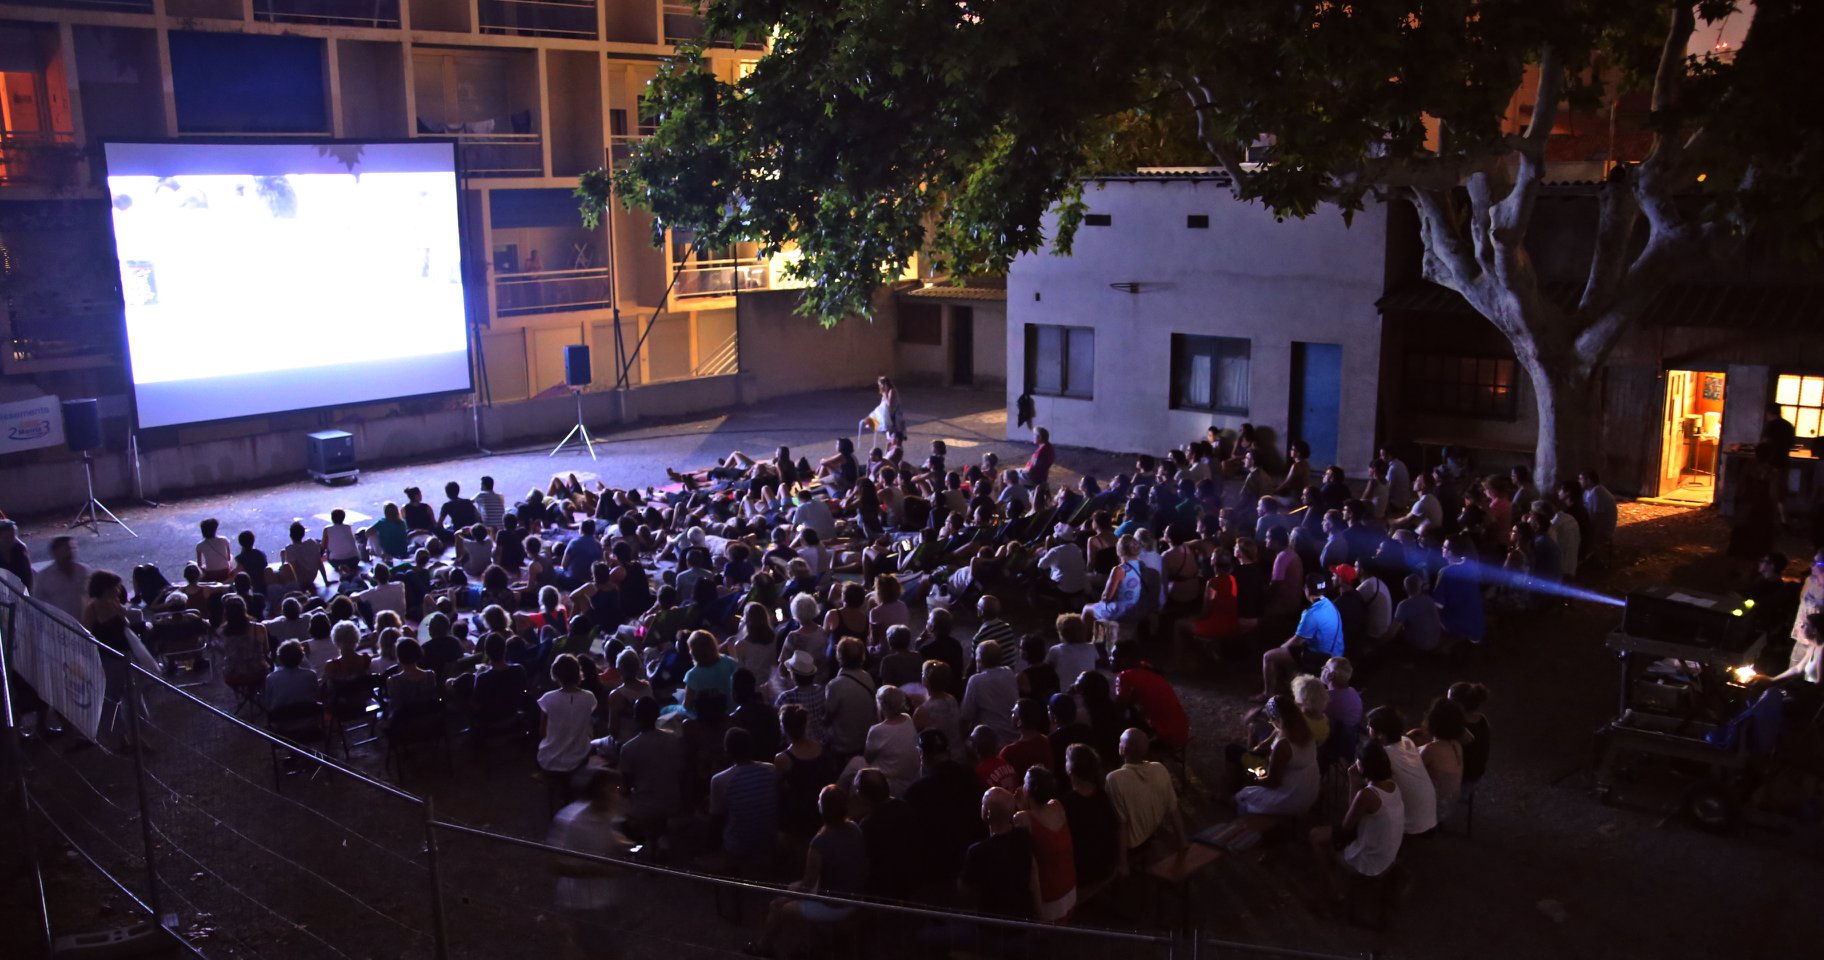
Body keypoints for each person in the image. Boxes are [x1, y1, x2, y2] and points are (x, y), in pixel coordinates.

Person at [746, 785, 867, 958]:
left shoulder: (819, 843)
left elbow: (808, 883)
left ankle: (763, 946)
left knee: (777, 906)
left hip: (834, 904)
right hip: (855, 897)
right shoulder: (855, 828)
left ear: (822, 809)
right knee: (790, 890)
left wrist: (786, 897)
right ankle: (808, 943)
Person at [1309, 740, 1405, 901]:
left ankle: (1334, 891)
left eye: (1357, 760)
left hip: (1369, 861)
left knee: (1316, 836)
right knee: (1331, 834)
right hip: (1388, 854)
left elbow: (1347, 826)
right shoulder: (1392, 784)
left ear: (1364, 765)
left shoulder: (1368, 795)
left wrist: (1353, 781)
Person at [548, 768, 632, 924]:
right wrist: (605, 871)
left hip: (606, 897)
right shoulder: (571, 822)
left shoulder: (610, 813)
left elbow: (605, 833)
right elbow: (559, 865)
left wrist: (617, 842)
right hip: (581, 903)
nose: (618, 795)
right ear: (597, 793)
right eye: (613, 790)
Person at [905, 729, 986, 888]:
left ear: (922, 755)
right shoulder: (970, 776)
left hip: (936, 870)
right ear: (947, 751)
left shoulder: (916, 792)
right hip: (970, 862)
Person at [1232, 694, 1321, 818]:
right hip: (1309, 791)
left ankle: (1251, 827)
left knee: (1241, 797)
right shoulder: (1307, 733)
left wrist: (1254, 778)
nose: (1270, 722)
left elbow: (1273, 782)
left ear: (1278, 720)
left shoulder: (1283, 745)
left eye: (1271, 719)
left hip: (1290, 797)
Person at [1259, 576, 1344, 700]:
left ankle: (1268, 695)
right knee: (1289, 650)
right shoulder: (1330, 604)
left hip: (1321, 657)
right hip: (1335, 652)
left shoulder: (1311, 614)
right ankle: (1290, 684)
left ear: (1307, 590)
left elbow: (1296, 641)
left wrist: (1282, 647)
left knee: (1269, 656)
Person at [1105, 728, 1183, 861]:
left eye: (1120, 742)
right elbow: (1173, 809)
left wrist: (1123, 863)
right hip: (1153, 831)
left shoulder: (1115, 779)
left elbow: (1122, 823)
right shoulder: (1159, 768)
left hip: (1133, 843)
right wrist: (1183, 842)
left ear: (1124, 749)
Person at [617, 698, 687, 842]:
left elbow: (626, 786)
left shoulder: (629, 748)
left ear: (636, 717)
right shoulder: (673, 741)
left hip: (644, 807)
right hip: (673, 802)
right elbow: (681, 773)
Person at [959, 787, 1036, 919]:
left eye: (983, 803)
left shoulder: (978, 851)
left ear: (988, 813)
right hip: (1022, 917)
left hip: (991, 924)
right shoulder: (1023, 836)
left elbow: (964, 891)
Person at [709, 727, 781, 866]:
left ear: (727, 752)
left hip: (738, 845)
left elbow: (716, 819)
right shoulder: (771, 770)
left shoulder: (720, 779)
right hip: (769, 839)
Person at [1015, 765, 1077, 922]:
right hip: (1069, 889)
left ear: (1028, 791)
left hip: (1049, 898)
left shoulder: (1022, 819)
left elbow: (1031, 869)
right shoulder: (1057, 805)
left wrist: (1021, 806)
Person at [1366, 706, 1438, 836]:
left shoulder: (1383, 755)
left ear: (1381, 735)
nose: (1367, 728)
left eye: (1370, 726)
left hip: (1412, 826)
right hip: (1430, 818)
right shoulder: (1407, 741)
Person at [854, 766, 921, 899]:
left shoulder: (868, 824)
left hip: (883, 889)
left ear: (864, 795)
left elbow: (866, 864)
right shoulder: (906, 808)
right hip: (911, 882)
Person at [1412, 697, 1469, 820]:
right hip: (1449, 803)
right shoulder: (1456, 745)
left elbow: (1410, 769)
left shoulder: (1431, 750)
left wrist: (1406, 738)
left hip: (1433, 808)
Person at [823, 638, 877, 764]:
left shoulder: (834, 685)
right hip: (864, 742)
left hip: (842, 747)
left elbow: (827, 716)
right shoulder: (867, 677)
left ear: (839, 656)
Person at [960, 638, 1020, 748]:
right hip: (1014, 735)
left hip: (992, 740)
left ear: (980, 660)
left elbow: (966, 716)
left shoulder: (976, 680)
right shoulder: (1009, 672)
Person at [865, 685, 921, 797]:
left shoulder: (877, 731)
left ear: (882, 705)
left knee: (854, 763)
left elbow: (868, 758)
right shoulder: (907, 718)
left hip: (890, 785)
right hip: (912, 780)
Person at [1433, 536, 1485, 647]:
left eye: (1445, 547)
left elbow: (1437, 605)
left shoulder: (1446, 572)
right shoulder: (1472, 566)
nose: (1442, 548)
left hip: (1456, 625)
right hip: (1475, 624)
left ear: (1450, 552)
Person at [33, 535, 91, 620]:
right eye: (66, 549)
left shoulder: (84, 570)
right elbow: (37, 603)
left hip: (84, 625)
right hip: (60, 626)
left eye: (73, 548)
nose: (70, 552)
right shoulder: (44, 576)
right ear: (55, 552)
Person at [260, 640, 319, 714]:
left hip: (281, 721)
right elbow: (316, 696)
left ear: (280, 658)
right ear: (301, 657)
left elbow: (268, 702)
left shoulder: (271, 678)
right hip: (310, 718)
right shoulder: (311, 675)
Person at [195, 518, 234, 582]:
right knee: (232, 557)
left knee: (190, 563)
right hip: (225, 572)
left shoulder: (200, 545)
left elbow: (200, 565)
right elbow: (228, 558)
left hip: (210, 574)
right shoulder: (224, 540)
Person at [0, 519, 33, 589]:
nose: (10, 540)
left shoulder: (20, 549)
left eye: (12, 536)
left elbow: (28, 575)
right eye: (6, 538)